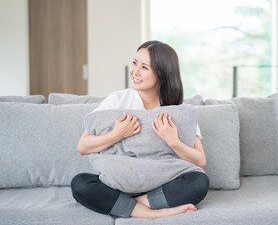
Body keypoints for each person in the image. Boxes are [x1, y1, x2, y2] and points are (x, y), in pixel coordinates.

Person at [71, 41, 209, 219]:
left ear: (162, 74)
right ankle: (153, 213)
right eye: (135, 63)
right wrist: (116, 135)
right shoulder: (118, 100)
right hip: (117, 183)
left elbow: (200, 161)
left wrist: (173, 141)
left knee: (199, 182)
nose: (134, 71)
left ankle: (126, 205)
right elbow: (83, 147)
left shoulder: (179, 110)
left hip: (160, 184)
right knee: (80, 184)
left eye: (144, 67)